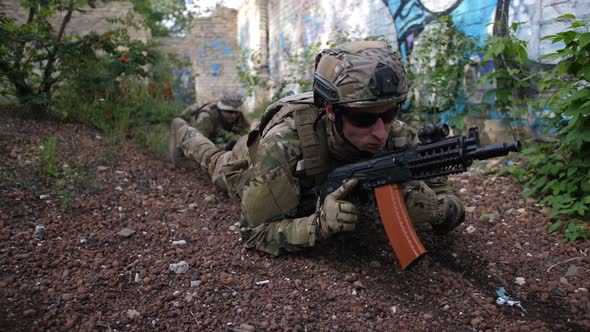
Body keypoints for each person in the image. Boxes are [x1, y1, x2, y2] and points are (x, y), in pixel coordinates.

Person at [168, 41, 465, 256]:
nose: (380, 131)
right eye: (363, 119)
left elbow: (449, 198)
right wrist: (317, 226)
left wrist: (438, 212)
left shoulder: (396, 135)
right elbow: (255, 232)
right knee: (211, 158)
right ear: (331, 110)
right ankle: (179, 129)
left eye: (389, 114)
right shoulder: (284, 146)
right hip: (247, 166)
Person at [178, 94, 249, 152]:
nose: (234, 115)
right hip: (204, 138)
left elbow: (246, 137)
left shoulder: (241, 119)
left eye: (236, 112)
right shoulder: (206, 118)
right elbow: (198, 145)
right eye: (229, 112)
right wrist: (225, 146)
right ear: (220, 110)